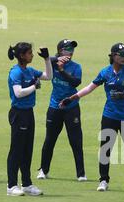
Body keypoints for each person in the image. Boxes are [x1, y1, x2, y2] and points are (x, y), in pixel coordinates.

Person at [60, 43, 124, 192]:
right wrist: (73, 97)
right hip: (109, 116)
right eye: (121, 54)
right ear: (113, 56)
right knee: (106, 148)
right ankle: (104, 180)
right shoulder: (105, 72)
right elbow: (90, 87)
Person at [6, 42, 52, 196]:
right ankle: (11, 185)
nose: (32, 55)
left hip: (28, 113)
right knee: (16, 150)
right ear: (21, 55)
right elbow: (18, 93)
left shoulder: (30, 70)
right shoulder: (16, 72)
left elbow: (49, 76)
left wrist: (47, 59)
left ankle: (26, 184)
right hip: (18, 113)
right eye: (29, 53)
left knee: (27, 150)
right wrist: (34, 86)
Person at [37, 39, 86, 181]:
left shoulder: (76, 66)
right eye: (67, 49)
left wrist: (62, 70)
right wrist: (56, 60)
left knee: (76, 140)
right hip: (54, 107)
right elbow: (46, 60)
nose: (70, 52)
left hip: (72, 107)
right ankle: (43, 170)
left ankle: (81, 173)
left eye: (72, 49)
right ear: (59, 50)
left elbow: (76, 82)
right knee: (50, 140)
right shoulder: (52, 62)